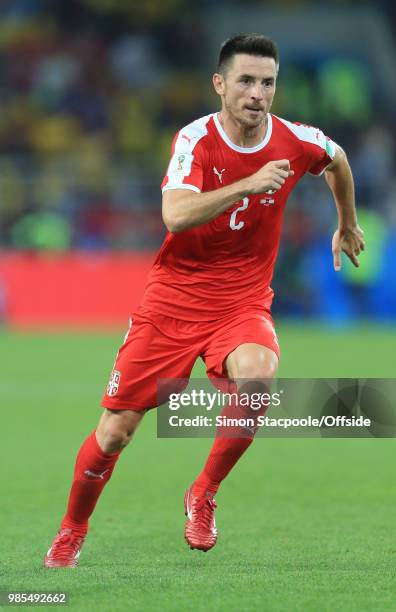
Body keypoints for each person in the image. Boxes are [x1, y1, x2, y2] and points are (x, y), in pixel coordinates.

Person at [44, 33, 365, 567]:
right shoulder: (195, 140)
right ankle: (72, 530)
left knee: (259, 379)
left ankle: (204, 493)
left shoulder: (294, 138)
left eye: (267, 82)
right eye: (245, 81)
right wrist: (247, 185)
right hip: (173, 300)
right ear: (220, 84)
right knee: (116, 432)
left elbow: (337, 158)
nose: (257, 93)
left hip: (241, 303)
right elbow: (175, 215)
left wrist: (347, 222)